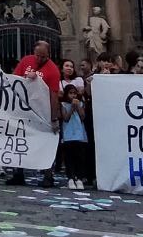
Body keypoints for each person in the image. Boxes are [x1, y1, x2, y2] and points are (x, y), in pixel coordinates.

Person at [11, 40, 61, 188]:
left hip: (42, 111)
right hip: (24, 110)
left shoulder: (53, 70)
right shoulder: (26, 61)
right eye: (37, 55)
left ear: (48, 55)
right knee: (18, 140)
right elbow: (15, 80)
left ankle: (48, 175)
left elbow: (53, 95)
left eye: (43, 57)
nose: (39, 59)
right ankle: (18, 173)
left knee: (45, 142)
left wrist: (53, 117)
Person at [59, 83, 91, 190]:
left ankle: (79, 178)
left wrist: (77, 106)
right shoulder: (63, 104)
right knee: (69, 158)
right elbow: (66, 118)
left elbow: (82, 117)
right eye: (70, 93)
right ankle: (71, 178)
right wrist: (72, 108)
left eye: (74, 93)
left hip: (80, 135)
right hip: (68, 135)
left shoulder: (81, 104)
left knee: (80, 158)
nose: (73, 95)